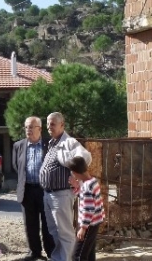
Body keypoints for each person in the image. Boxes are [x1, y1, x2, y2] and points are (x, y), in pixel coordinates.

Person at [39, 112, 92, 261]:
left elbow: (85, 157)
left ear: (62, 125)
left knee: (65, 232)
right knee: (54, 231)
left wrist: (76, 176)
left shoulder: (69, 142)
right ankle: (59, 258)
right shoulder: (53, 143)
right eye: (48, 124)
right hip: (49, 194)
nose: (49, 127)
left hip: (61, 194)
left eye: (53, 124)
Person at [12, 116, 54, 261]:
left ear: (39, 129)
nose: (28, 130)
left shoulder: (49, 144)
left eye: (31, 127)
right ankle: (34, 252)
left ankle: (51, 252)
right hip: (27, 190)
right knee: (30, 223)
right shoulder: (19, 146)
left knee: (48, 223)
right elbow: (16, 166)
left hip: (45, 190)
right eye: (26, 127)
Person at [64, 157, 104, 261]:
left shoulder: (87, 187)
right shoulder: (93, 182)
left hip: (88, 225)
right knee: (89, 253)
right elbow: (87, 199)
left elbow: (88, 209)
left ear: (76, 172)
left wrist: (83, 228)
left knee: (78, 255)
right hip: (95, 222)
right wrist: (77, 187)